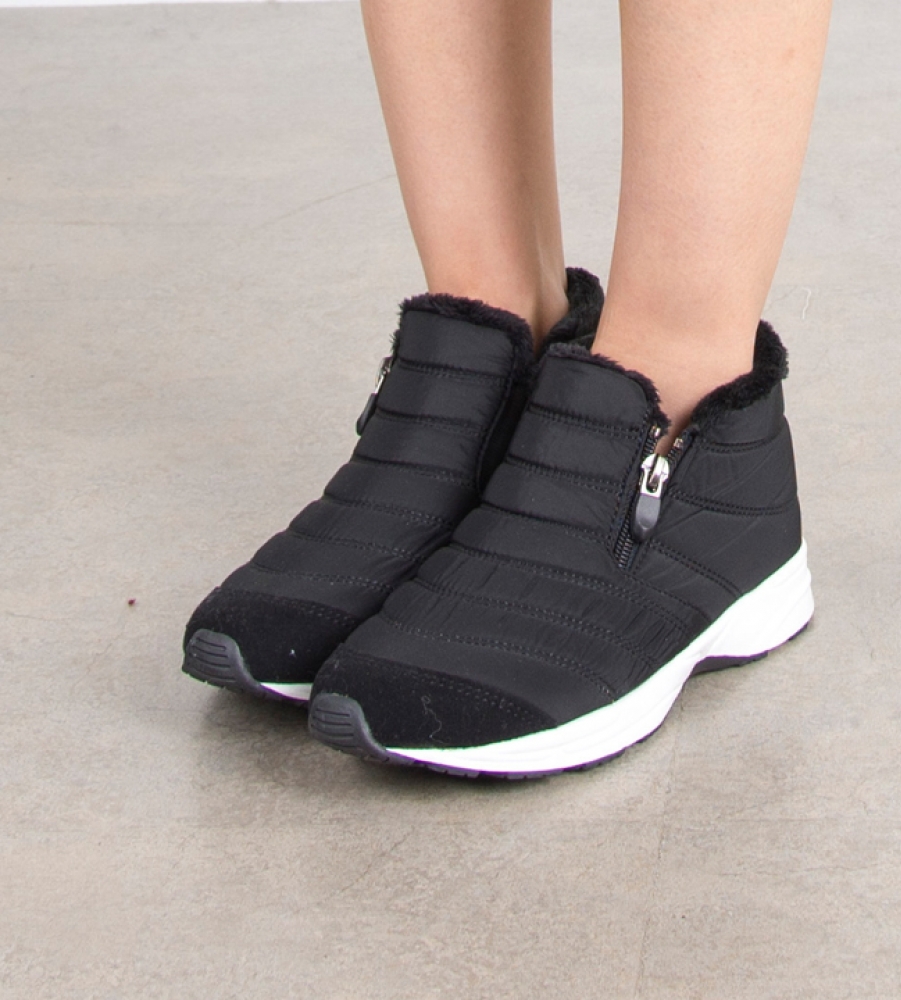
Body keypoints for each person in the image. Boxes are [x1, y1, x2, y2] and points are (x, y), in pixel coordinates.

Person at [183, 0, 832, 778]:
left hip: (677, 444)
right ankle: (498, 357)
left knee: (676, 349)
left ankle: (680, 394)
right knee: (485, 289)